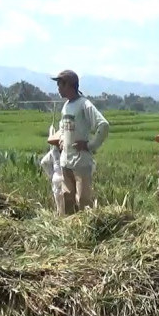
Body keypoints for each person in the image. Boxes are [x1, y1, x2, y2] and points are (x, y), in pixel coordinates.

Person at [51, 69, 109, 215]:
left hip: (81, 161)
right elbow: (62, 126)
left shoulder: (84, 104)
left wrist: (90, 145)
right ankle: (70, 230)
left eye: (60, 84)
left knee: (83, 201)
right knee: (67, 199)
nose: (58, 88)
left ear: (69, 85)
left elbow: (103, 125)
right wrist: (62, 139)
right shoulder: (66, 106)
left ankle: (85, 230)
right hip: (66, 161)